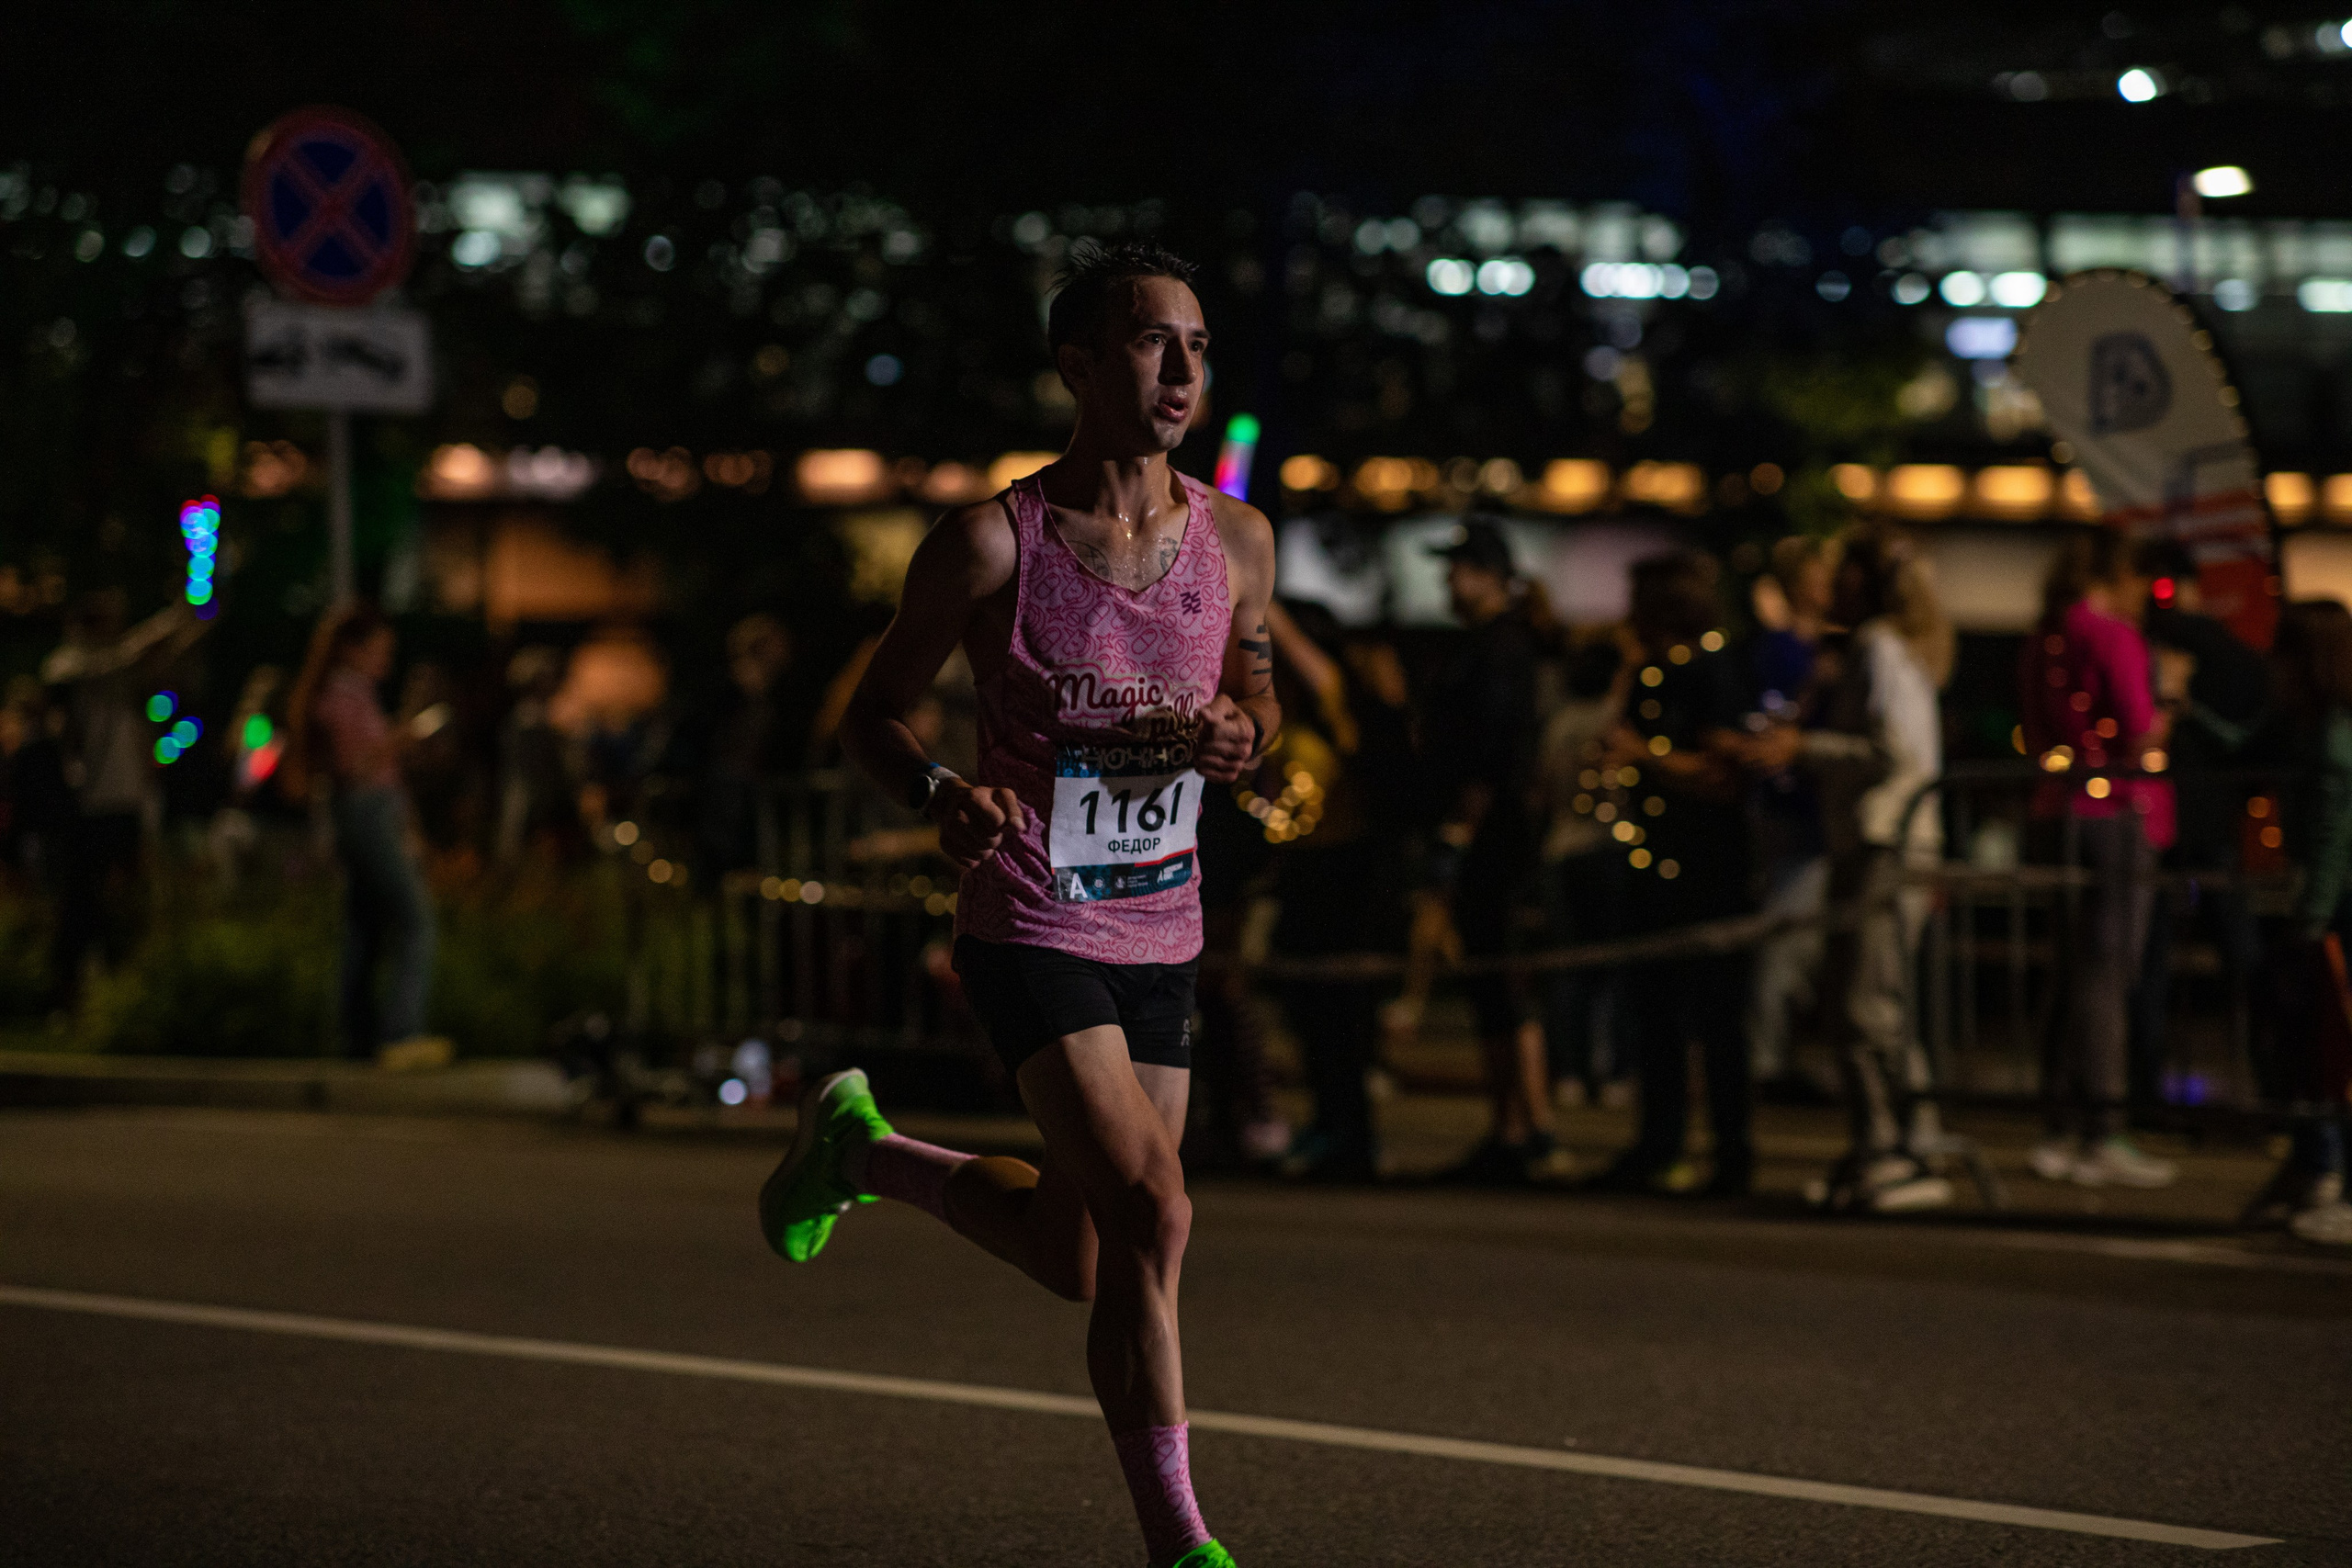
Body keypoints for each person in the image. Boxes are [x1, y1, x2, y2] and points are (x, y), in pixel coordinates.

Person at [759, 240, 1271, 1568]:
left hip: (1163, 920)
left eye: (1200, 346)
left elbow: (1259, 696)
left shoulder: (1239, 539)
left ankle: (861, 1153)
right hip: (1030, 914)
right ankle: (1183, 1544)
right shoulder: (995, 541)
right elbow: (869, 714)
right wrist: (939, 785)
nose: (1183, 371)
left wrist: (1242, 733)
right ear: (1081, 365)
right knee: (1156, 1209)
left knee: (1084, 1253)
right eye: (1157, 343)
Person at [1744, 525, 1952, 1211]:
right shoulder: (1880, 648)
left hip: (1884, 844)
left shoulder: (1878, 647)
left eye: (1844, 572)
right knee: (1861, 1002)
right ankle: (1883, 1143)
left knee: (1868, 1006)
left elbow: (1896, 754)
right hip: (1874, 842)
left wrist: (1805, 746)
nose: (1831, 585)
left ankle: (1898, 1149)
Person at [1588, 549, 1756, 1196]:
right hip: (1653, 861)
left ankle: (1731, 1154)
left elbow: (1722, 773)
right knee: (1652, 1014)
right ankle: (1658, 1143)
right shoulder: (1652, 670)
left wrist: (1647, 756)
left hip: (1708, 868)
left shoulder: (1711, 670)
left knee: (1717, 1020)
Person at [2017, 531, 2177, 1187]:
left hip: (2057, 806)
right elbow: (2140, 732)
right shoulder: (2113, 636)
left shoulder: (2041, 638)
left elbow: (2035, 726)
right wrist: (2171, 702)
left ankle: (2060, 1121)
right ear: (2117, 576)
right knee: (2107, 970)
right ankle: (2102, 1126)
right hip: (2116, 812)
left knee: (2073, 968)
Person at [1421, 516, 1563, 1184]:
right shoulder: (1493, 643)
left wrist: (1458, 829)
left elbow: (1491, 751)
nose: (1449, 579)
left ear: (1489, 574)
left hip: (1496, 839)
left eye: (1459, 567)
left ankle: (1524, 1124)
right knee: (1496, 984)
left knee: (1503, 981)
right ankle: (1520, 1122)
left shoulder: (1499, 648)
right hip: (1498, 836)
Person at [1263, 597, 1409, 1181]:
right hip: (1301, 873)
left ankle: (1351, 1136)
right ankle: (1329, 1124)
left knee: (1341, 1015)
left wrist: (1263, 601)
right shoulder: (1287, 716)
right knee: (1308, 1013)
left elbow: (1317, 669)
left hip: (1347, 875)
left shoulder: (1340, 707)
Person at [2128, 541, 2270, 1120]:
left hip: (2168, 820)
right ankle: (2276, 1091)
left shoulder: (2148, 641)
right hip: (2207, 822)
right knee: (2239, 961)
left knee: (2152, 961)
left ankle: (2142, 1094)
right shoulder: (2226, 649)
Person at [2234, 602, 2352, 1244]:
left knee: (2331, 1045)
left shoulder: (2332, 735)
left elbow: (2335, 836)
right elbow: (2244, 749)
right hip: (2328, 906)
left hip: (2335, 909)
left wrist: (2311, 920)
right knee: (2314, 1044)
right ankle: (2315, 1164)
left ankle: (2327, 1171)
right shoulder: (2306, 724)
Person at [286, 604, 445, 1068]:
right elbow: (355, 768)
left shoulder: (357, 694)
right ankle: (402, 1032)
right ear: (352, 650)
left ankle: (355, 1038)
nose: (386, 660)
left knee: (365, 926)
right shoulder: (340, 696)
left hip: (370, 812)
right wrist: (403, 739)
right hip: (365, 813)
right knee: (417, 918)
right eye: (380, 650)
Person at [40, 592, 209, 1007]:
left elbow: (157, 666)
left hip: (127, 802)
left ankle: (124, 986)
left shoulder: (119, 676)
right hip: (88, 805)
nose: (113, 631)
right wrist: (169, 621)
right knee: (82, 901)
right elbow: (118, 661)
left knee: (128, 898)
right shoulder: (69, 664)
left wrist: (186, 630)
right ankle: (68, 991)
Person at [1747, 536, 1836, 1093]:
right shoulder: (1779, 652)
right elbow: (1769, 730)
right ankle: (1764, 1058)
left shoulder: (1832, 649)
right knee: (1782, 938)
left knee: (1814, 946)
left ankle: (1790, 1052)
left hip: (1822, 820)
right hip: (1791, 817)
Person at [1534, 635, 1626, 1106]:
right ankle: (1609, 1071)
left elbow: (1545, 789)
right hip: (1605, 845)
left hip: (1562, 846)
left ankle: (1568, 1071)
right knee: (1609, 965)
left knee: (1568, 966)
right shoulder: (1615, 721)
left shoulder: (1560, 723)